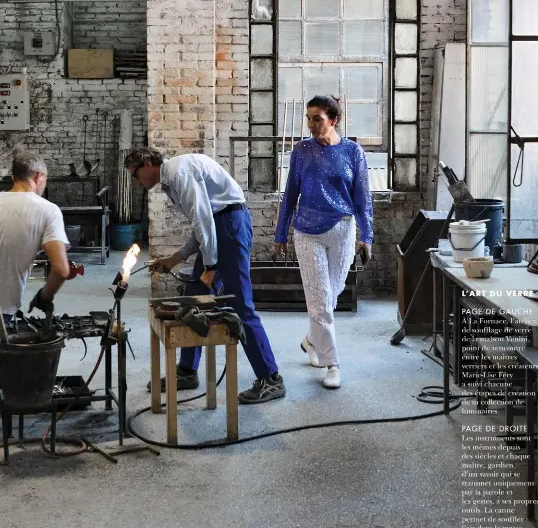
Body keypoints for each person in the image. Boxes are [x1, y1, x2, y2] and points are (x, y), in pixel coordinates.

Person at [125, 148, 286, 405]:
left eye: (135, 174)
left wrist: (210, 266)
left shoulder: (178, 173)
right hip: (221, 225)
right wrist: (175, 259)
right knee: (194, 299)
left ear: (147, 163)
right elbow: (202, 226)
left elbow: (204, 222)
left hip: (230, 226)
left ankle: (270, 378)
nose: (137, 181)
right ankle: (188, 371)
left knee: (240, 304)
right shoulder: (171, 180)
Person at [0, 152, 71, 415]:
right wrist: (45, 295)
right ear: (39, 177)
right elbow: (62, 269)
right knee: (10, 351)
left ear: (13, 177)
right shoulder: (47, 209)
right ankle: (16, 398)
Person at [275, 95, 373, 389]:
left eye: (317, 118)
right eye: (308, 118)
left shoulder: (353, 152)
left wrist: (367, 236)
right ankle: (332, 364)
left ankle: (310, 341)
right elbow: (290, 194)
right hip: (307, 231)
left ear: (334, 119)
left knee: (332, 295)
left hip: (343, 229)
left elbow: (362, 198)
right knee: (319, 301)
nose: (311, 124)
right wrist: (281, 234)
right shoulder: (302, 151)